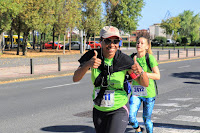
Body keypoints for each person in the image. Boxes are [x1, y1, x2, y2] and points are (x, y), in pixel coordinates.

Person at [73, 26, 149, 133]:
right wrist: (88, 65)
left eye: (116, 41)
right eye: (108, 40)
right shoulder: (92, 56)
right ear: (101, 41)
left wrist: (141, 71)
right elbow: (75, 78)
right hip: (99, 109)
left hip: (119, 108)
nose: (112, 45)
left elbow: (145, 83)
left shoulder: (124, 60)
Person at [129, 37, 160, 133]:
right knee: (131, 117)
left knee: (146, 120)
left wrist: (143, 73)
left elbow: (157, 75)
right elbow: (128, 73)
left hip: (149, 93)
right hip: (136, 92)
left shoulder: (149, 58)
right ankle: (138, 130)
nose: (139, 44)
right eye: (138, 43)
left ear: (147, 46)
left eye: (142, 43)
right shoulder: (132, 57)